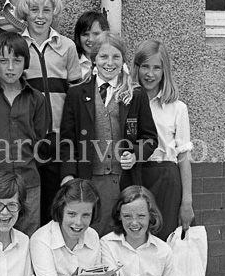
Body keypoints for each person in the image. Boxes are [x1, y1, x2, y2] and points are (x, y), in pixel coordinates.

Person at [59, 32, 158, 236]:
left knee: (120, 232)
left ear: (123, 60)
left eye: (116, 57)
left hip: (123, 179)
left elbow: (150, 138)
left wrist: (136, 154)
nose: (109, 63)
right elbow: (67, 141)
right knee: (91, 231)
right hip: (90, 177)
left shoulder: (136, 94)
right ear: (94, 58)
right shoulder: (77, 94)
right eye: (104, 57)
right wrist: (69, 174)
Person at [17, 0, 81, 226]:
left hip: (59, 139)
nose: (40, 16)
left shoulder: (66, 47)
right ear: (26, 11)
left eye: (46, 10)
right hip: (28, 139)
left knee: (57, 206)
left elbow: (74, 97)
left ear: (54, 12)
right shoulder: (18, 46)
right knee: (29, 207)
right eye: (34, 10)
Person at [0, 32, 47, 235]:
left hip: (29, 184)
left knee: (29, 238)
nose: (11, 67)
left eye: (17, 60)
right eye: (3, 61)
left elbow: (39, 141)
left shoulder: (37, 99)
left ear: (25, 63)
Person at [133, 40, 194, 239]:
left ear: (164, 70)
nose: (150, 74)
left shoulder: (177, 108)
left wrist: (187, 201)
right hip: (135, 175)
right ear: (137, 67)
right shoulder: (126, 101)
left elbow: (184, 156)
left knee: (165, 240)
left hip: (166, 177)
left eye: (156, 68)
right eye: (145, 67)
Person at [73, 10, 110, 82]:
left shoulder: (116, 63)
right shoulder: (73, 63)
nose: (91, 39)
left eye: (96, 34)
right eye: (85, 34)